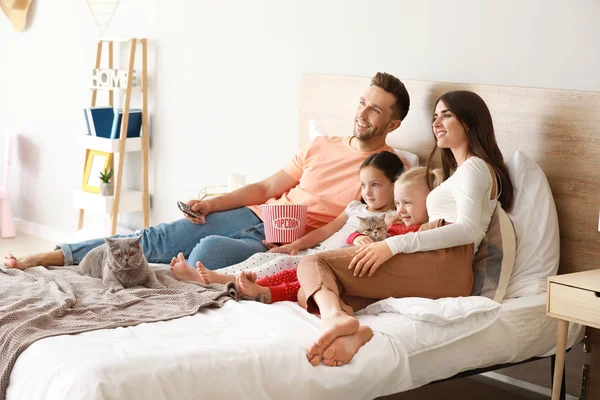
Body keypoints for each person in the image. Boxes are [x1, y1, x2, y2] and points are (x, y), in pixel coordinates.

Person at [4, 72, 410, 271]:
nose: (362, 113)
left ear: (393, 125)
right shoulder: (322, 145)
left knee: (203, 256)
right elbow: (267, 186)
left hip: (286, 240)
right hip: (254, 215)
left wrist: (295, 248)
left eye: (375, 109)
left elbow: (367, 220)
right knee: (153, 237)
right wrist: (212, 202)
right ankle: (51, 257)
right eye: (362, 102)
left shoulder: (391, 170)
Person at [295, 90, 515, 368]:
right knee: (314, 292)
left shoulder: (475, 168)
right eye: (435, 116)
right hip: (439, 263)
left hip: (446, 262)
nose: (436, 123)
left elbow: (467, 230)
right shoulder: (462, 172)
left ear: (470, 122)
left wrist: (393, 245)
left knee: (313, 262)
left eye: (446, 115)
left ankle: (336, 319)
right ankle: (354, 333)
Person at [178, 165, 442, 306]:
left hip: (341, 265)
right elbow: (336, 232)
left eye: (408, 203)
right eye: (401, 203)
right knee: (269, 259)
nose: (402, 210)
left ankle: (238, 284)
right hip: (324, 254)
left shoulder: (414, 228)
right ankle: (228, 279)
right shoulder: (374, 213)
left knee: (291, 272)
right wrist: (294, 245)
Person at [170, 151, 405, 290]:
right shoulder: (355, 208)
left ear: (396, 184)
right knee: (265, 257)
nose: (368, 192)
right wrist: (294, 246)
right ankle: (210, 276)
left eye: (376, 185)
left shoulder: (394, 217)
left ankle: (219, 280)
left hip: (330, 263)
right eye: (363, 185)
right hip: (314, 252)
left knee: (276, 267)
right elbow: (324, 232)